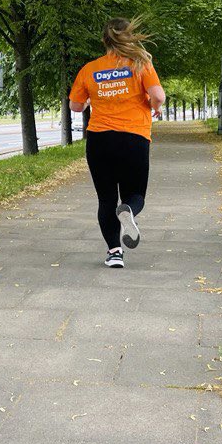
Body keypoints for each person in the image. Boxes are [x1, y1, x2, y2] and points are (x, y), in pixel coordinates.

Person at [69, 18, 166, 268]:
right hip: (134, 137)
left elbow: (75, 106)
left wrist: (92, 101)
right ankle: (129, 212)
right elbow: (158, 96)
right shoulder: (140, 64)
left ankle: (114, 252)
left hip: (100, 140)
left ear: (105, 40)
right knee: (135, 195)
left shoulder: (90, 69)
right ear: (130, 37)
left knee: (105, 199)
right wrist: (155, 108)